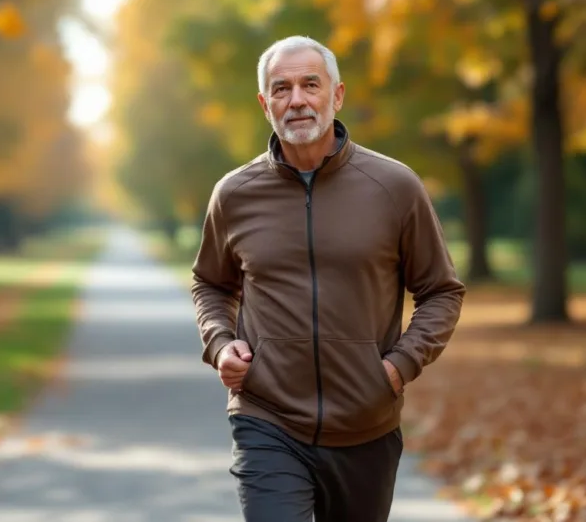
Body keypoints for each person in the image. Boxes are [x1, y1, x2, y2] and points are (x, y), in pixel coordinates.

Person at [190, 35, 466, 521]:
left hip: (367, 426)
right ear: (265, 104)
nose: (296, 99)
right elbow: (211, 282)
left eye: (309, 85)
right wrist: (219, 342)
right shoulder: (234, 193)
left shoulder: (395, 187)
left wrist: (398, 367)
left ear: (336, 96)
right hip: (266, 417)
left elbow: (441, 291)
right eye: (281, 88)